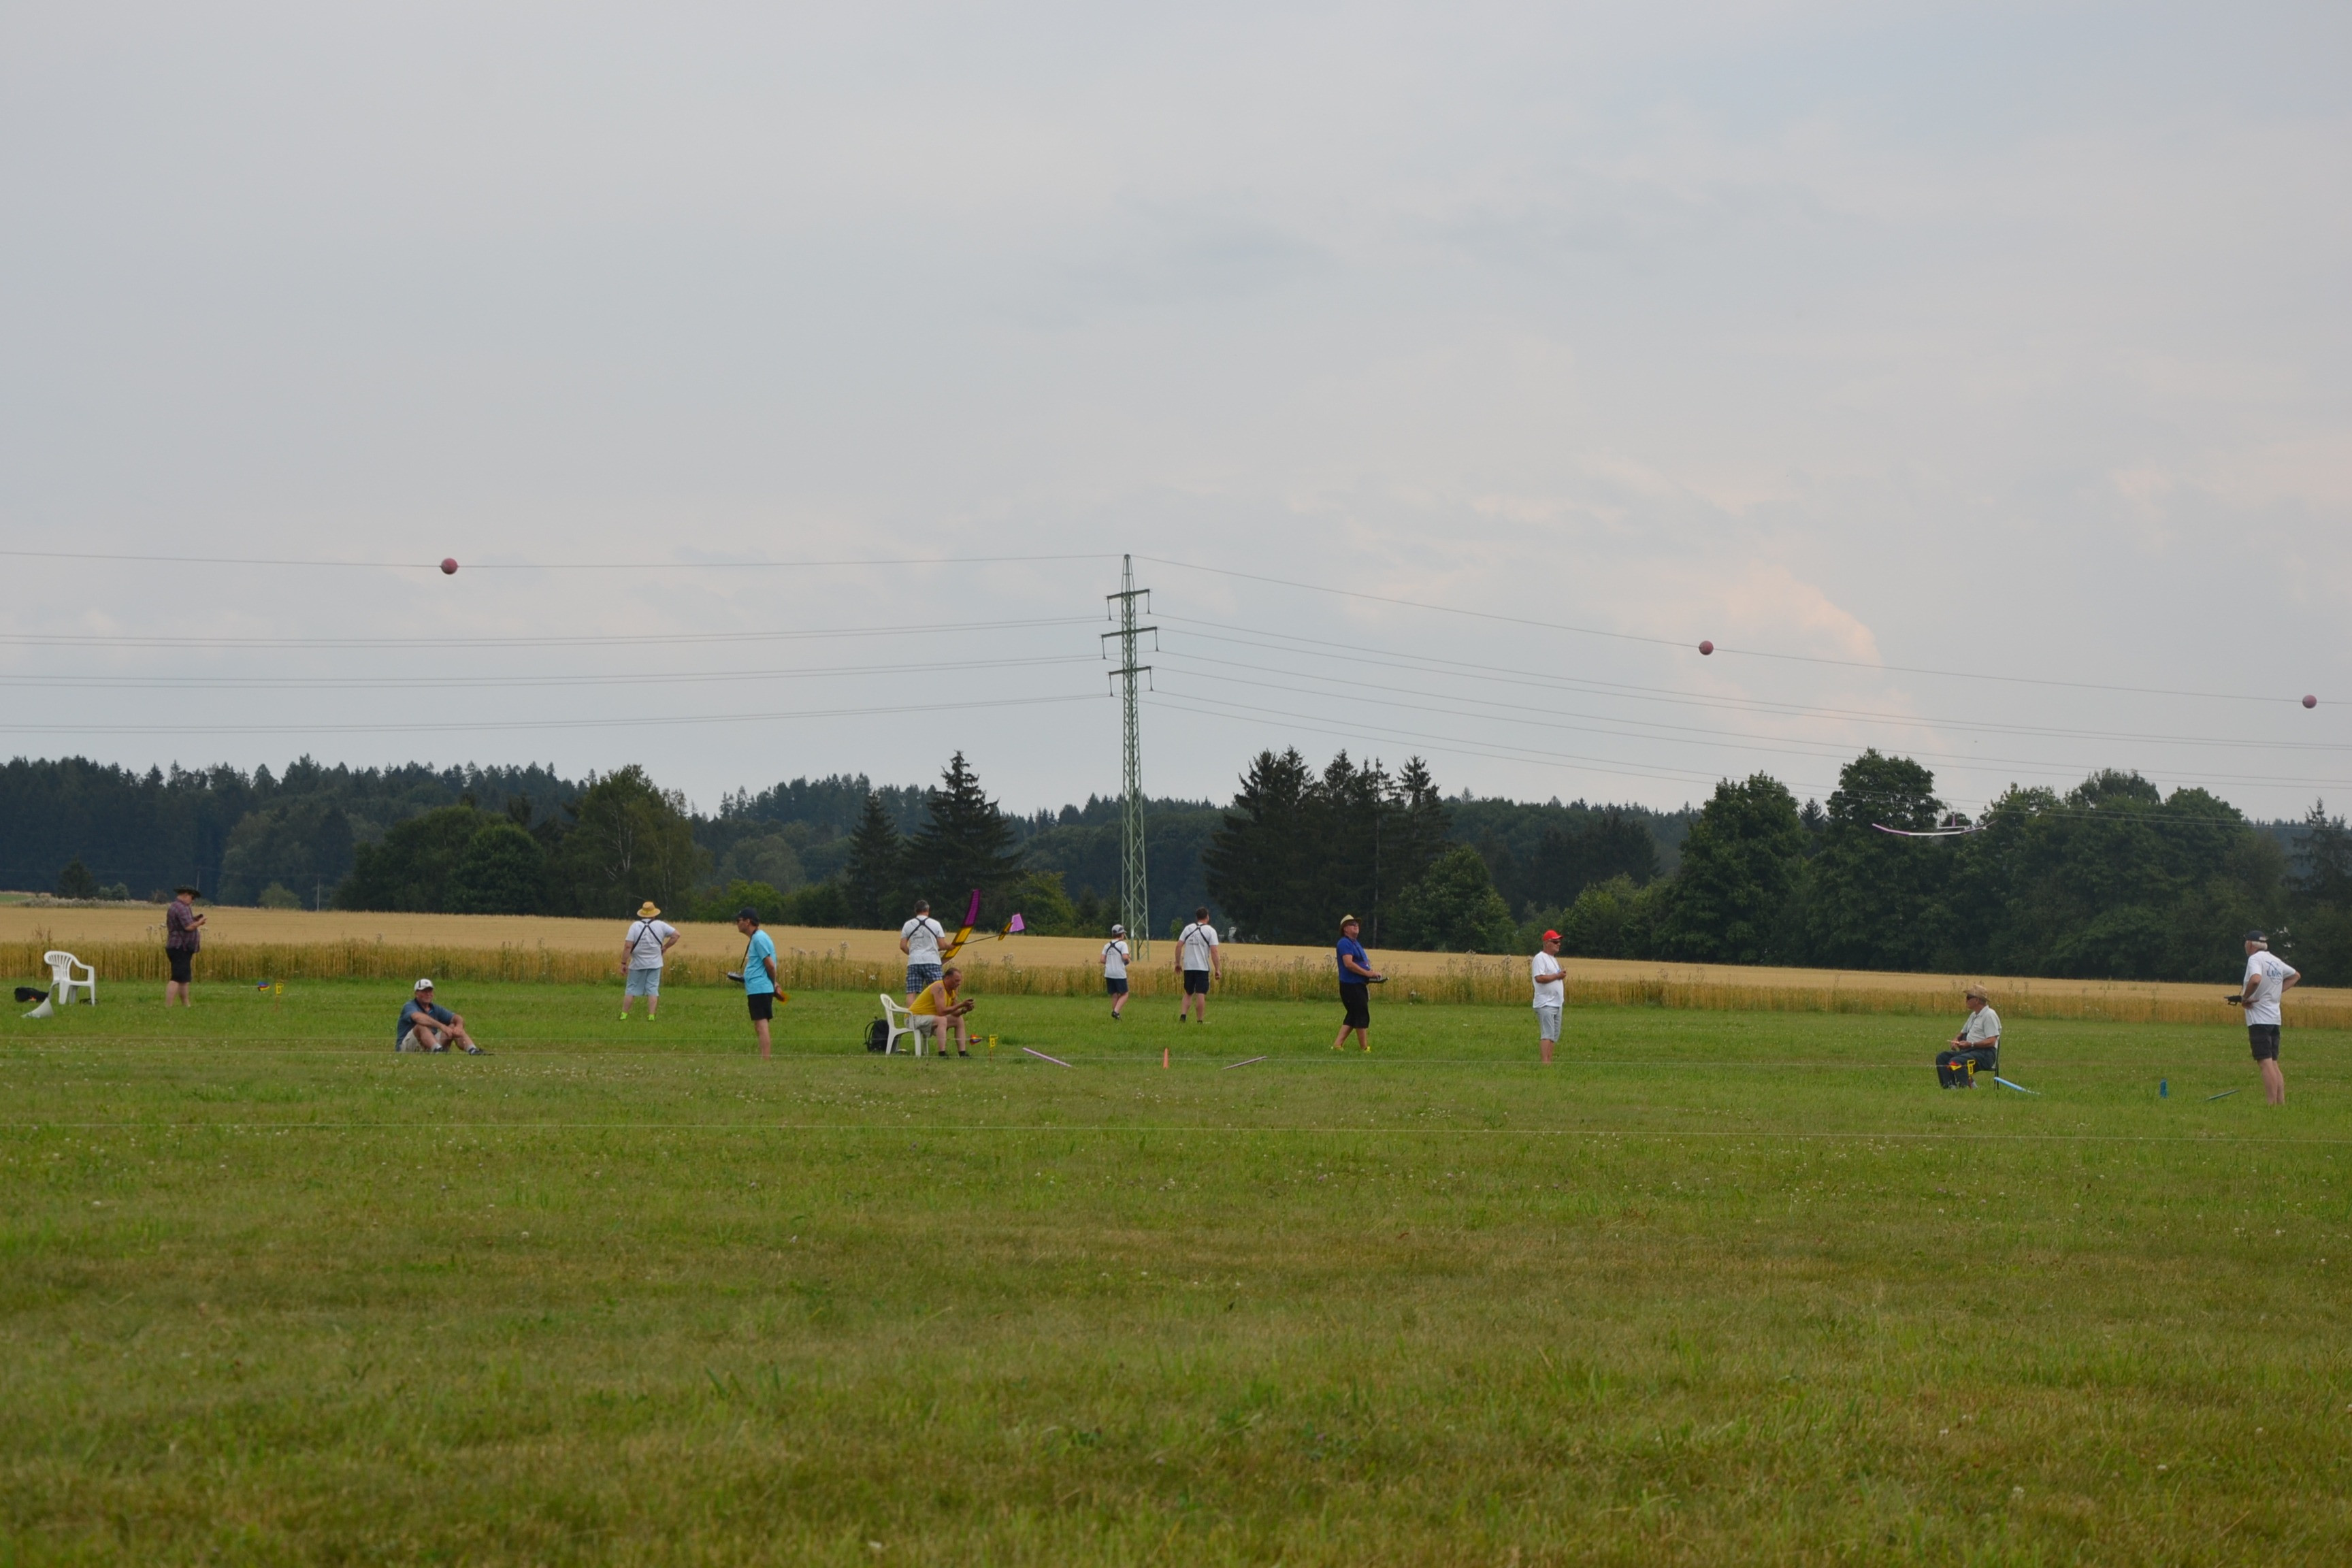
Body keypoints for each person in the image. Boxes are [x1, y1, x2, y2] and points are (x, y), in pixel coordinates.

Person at [2236, 930, 2299, 1105]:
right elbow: (2295, 976)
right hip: (2274, 1018)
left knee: (2265, 1063)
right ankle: (2280, 1103)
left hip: (2259, 1019)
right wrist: (2275, 992)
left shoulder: (2255, 959)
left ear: (2250, 944)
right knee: (2273, 1063)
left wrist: (2245, 998)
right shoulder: (2275, 960)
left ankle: (2271, 1105)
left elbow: (2255, 979)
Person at [618, 900, 681, 1020]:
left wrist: (623, 963)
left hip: (637, 964)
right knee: (653, 990)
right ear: (654, 914)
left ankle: (624, 1015)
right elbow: (676, 935)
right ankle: (651, 1016)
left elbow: (628, 946)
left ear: (642, 913)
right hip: (655, 964)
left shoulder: (635, 926)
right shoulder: (661, 925)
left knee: (631, 989)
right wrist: (665, 947)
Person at [1330, 915, 1384, 1052]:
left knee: (1354, 1015)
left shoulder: (1355, 943)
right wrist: (1367, 974)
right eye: (1352, 924)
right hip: (1351, 985)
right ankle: (1364, 1048)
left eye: (1357, 924)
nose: (1356, 926)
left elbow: (1361, 963)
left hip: (1358, 984)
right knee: (1361, 1015)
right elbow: (1349, 964)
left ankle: (1337, 1045)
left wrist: (1371, 973)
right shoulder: (1344, 943)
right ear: (1345, 929)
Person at [736, 906, 780, 1059]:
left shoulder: (759, 939)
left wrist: (773, 983)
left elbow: (770, 965)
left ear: (748, 922)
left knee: (761, 1025)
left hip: (760, 988)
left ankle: (765, 1059)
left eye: (739, 920)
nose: (737, 924)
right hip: (757, 988)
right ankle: (764, 1056)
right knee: (759, 1024)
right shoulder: (757, 938)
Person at [1937, 986, 2002, 1088]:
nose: (1966, 1000)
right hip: (1969, 1052)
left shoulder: (1989, 1015)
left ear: (1977, 1000)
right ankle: (1950, 1087)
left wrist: (1971, 1044)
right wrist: (1956, 1041)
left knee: (1955, 1062)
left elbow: (1992, 1041)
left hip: (1985, 1055)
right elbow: (1962, 1033)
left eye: (1968, 997)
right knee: (1942, 1057)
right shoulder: (1973, 1015)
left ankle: (1972, 1087)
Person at [396, 979, 482, 1054]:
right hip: (407, 1047)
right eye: (424, 991)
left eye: (430, 991)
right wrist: (442, 1026)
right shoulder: (410, 1006)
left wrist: (459, 1027)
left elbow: (456, 1017)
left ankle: (473, 1050)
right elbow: (418, 1018)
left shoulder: (434, 1008)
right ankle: (437, 1050)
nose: (428, 994)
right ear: (416, 994)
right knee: (421, 1026)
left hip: (429, 1044)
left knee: (453, 1027)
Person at [911, 965, 977, 1056]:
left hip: (930, 1018)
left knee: (959, 1020)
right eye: (956, 981)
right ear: (947, 978)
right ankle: (942, 1053)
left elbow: (954, 1013)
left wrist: (964, 1010)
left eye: (960, 981)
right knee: (942, 1020)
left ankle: (963, 1053)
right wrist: (961, 1004)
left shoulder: (952, 991)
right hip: (914, 1018)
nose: (959, 984)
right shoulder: (939, 987)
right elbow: (941, 1012)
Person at [1175, 906, 1221, 1022]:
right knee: (1201, 994)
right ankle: (1200, 1020)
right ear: (1207, 917)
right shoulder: (1210, 931)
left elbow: (1179, 946)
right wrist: (1217, 969)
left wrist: (1177, 963)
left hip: (1188, 967)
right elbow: (1214, 951)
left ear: (1197, 917)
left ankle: (1183, 1017)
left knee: (1188, 992)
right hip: (1202, 968)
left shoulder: (1188, 929)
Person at [163, 883, 204, 1007]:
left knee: (184, 979)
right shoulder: (182, 908)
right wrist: (200, 923)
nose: (193, 900)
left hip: (179, 947)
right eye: (192, 897)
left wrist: (194, 919)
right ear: (186, 895)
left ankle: (186, 1005)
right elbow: (188, 927)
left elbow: (183, 923)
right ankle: (168, 1006)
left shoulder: (175, 907)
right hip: (180, 947)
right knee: (176, 978)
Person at [900, 898, 947, 1007]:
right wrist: (951, 946)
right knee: (938, 990)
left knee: (911, 992)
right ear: (928, 910)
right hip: (932, 962)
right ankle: (939, 1013)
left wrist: (913, 953)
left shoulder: (907, 925)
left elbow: (902, 946)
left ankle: (911, 1015)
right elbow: (942, 946)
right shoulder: (935, 924)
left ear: (915, 911)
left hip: (914, 962)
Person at [1531, 928, 1566, 1064]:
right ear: (1547, 943)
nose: (1559, 944)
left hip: (1557, 1003)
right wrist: (1557, 976)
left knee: (1554, 1035)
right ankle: (1545, 1063)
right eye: (1555, 942)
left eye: (1559, 942)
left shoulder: (1553, 959)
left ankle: (1549, 1061)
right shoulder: (1540, 958)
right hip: (1546, 1003)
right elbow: (1539, 978)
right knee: (1547, 1033)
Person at [1102, 923, 1132, 1019]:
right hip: (1119, 973)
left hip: (1108, 973)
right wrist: (1128, 960)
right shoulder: (1123, 944)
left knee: (1114, 994)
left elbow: (1102, 960)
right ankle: (1116, 1011)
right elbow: (1125, 957)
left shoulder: (1107, 945)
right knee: (1125, 994)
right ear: (1122, 934)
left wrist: (1111, 962)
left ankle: (1116, 1014)